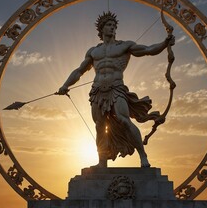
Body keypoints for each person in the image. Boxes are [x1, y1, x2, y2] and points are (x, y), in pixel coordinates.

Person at [58, 11, 175, 168]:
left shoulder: (124, 46)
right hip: (97, 90)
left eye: (114, 25)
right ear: (101, 29)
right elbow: (79, 71)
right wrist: (66, 85)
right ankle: (102, 162)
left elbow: (148, 50)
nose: (112, 28)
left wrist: (164, 43)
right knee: (99, 125)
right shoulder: (93, 51)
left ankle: (143, 156)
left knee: (123, 119)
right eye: (109, 25)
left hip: (116, 88)